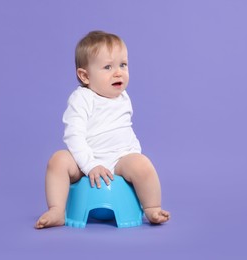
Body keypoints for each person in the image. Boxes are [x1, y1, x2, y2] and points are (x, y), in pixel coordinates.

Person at [35, 31, 170, 229]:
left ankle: (152, 208)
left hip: (119, 159)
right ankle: (57, 210)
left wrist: (133, 154)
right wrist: (90, 164)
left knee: (143, 165)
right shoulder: (82, 99)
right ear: (85, 76)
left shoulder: (123, 97)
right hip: (85, 160)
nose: (118, 72)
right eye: (108, 67)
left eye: (123, 65)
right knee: (58, 160)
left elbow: (124, 130)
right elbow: (74, 135)